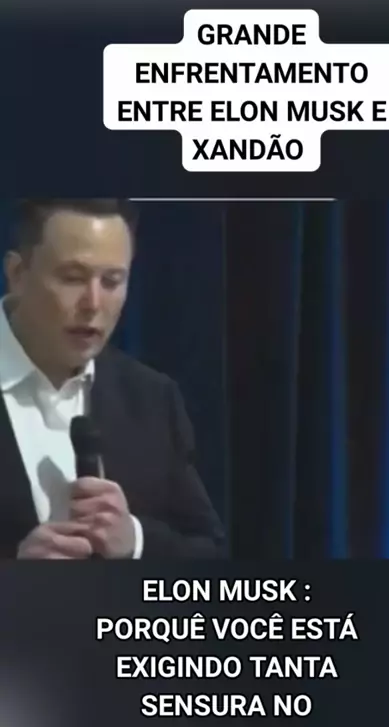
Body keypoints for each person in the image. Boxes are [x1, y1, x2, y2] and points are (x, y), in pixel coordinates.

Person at [0, 199, 225, 559]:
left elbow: (209, 553)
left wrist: (134, 540)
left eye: (111, 281)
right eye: (72, 278)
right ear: (17, 274)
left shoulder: (152, 398)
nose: (93, 303)